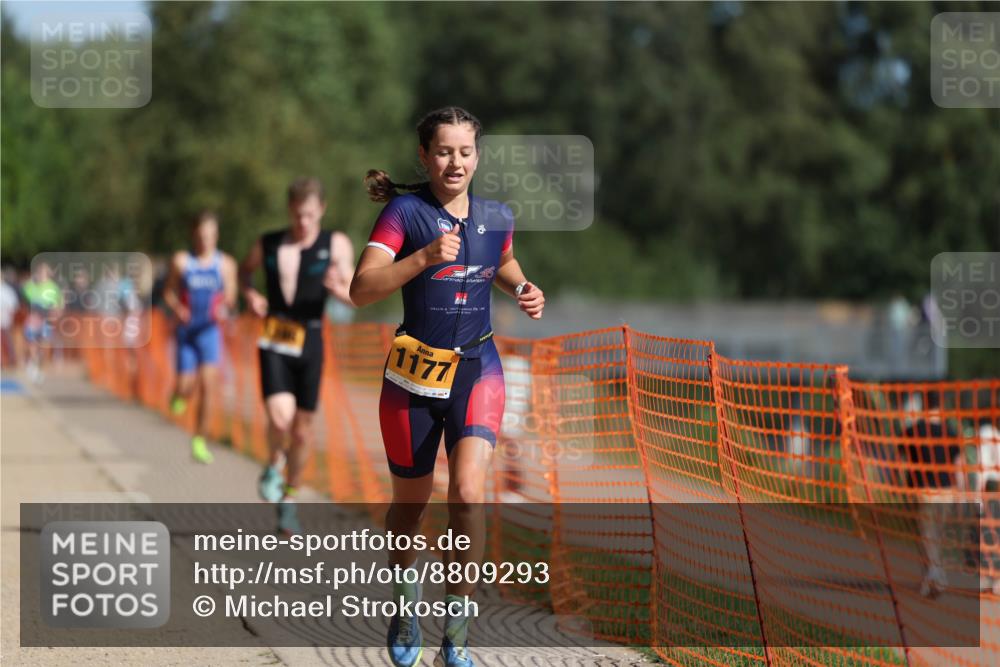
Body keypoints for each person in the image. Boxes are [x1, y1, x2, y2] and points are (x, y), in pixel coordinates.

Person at [350, 107, 545, 667]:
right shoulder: (404, 213)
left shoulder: (496, 216)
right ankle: (405, 605)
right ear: (424, 156)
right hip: (412, 377)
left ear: (477, 156)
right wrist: (424, 257)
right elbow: (361, 289)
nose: (454, 162)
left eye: (464, 152)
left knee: (467, 494)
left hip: (477, 369)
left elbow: (501, 262)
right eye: (443, 151)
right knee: (409, 510)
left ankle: (456, 636)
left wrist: (523, 288)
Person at [240, 177, 354, 534]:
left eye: (310, 215)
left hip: (311, 340)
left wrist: (339, 290)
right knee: (280, 420)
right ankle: (274, 463)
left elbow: (355, 293)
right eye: (297, 215)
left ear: (321, 210)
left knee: (302, 433)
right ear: (289, 210)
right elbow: (245, 271)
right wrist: (250, 295)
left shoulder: (335, 244)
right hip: (275, 335)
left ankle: (289, 498)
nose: (303, 222)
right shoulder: (270, 243)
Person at [162, 211, 238, 464]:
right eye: (201, 236)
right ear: (194, 235)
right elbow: (168, 292)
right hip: (186, 332)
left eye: (210, 236)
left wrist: (224, 306)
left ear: (217, 236)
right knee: (186, 384)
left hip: (209, 332)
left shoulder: (225, 264)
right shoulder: (182, 261)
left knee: (207, 386)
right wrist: (177, 308)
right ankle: (179, 395)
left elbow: (231, 296)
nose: (206, 241)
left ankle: (199, 440)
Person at [21, 262, 64, 383]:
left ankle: (39, 366)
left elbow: (59, 303)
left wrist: (56, 311)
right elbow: (24, 295)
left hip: (46, 319)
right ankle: (33, 364)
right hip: (33, 318)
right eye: (40, 272)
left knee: (45, 344)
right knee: (31, 342)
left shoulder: (53, 287)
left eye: (44, 272)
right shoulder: (31, 285)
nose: (41, 275)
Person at [0, 266, 20, 369]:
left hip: (5, 318)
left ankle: (11, 359)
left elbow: (13, 305)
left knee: (7, 340)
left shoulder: (7, 290)